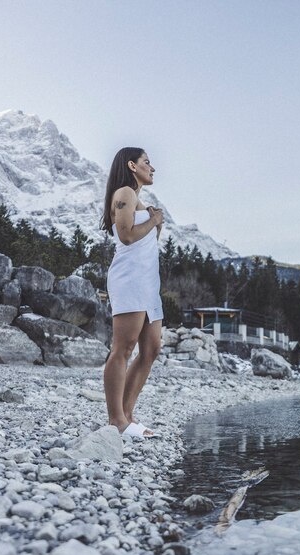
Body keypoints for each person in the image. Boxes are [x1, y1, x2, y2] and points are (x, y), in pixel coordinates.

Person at [100, 147, 164, 437]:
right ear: (131, 165)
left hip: (149, 283)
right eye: (147, 162)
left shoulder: (139, 201)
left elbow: (145, 243)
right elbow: (126, 237)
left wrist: (153, 222)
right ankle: (117, 420)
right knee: (123, 349)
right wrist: (154, 220)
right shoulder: (124, 193)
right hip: (129, 280)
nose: (153, 168)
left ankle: (128, 414)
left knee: (151, 349)